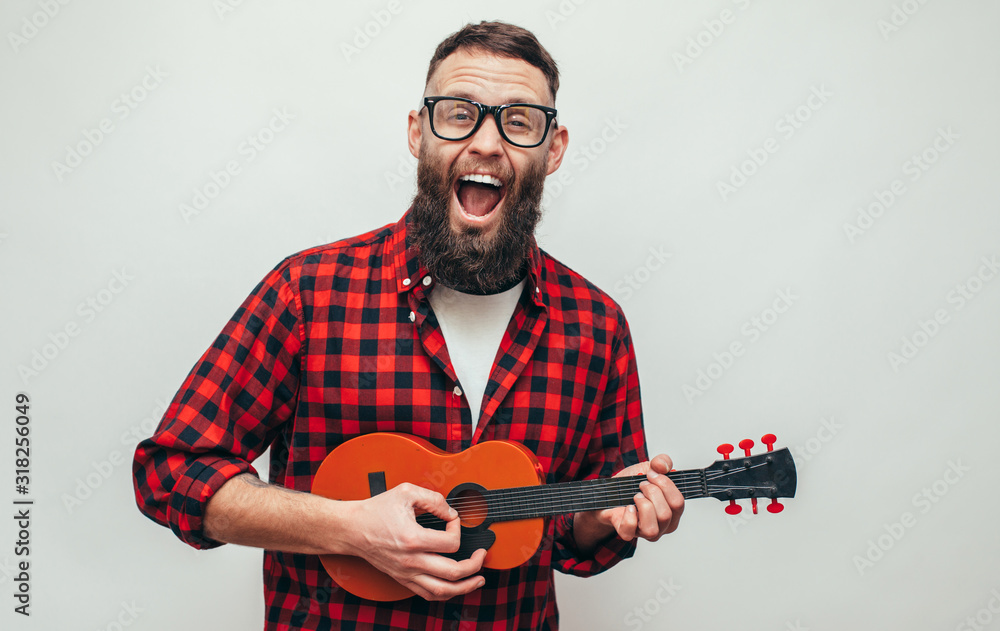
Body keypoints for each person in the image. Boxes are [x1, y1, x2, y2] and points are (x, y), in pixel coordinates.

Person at [132, 20, 684, 630]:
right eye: (458, 114)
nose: (486, 143)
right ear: (419, 133)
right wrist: (351, 529)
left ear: (553, 151)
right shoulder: (310, 292)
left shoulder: (597, 326)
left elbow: (571, 540)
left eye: (519, 121)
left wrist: (599, 517)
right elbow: (173, 473)